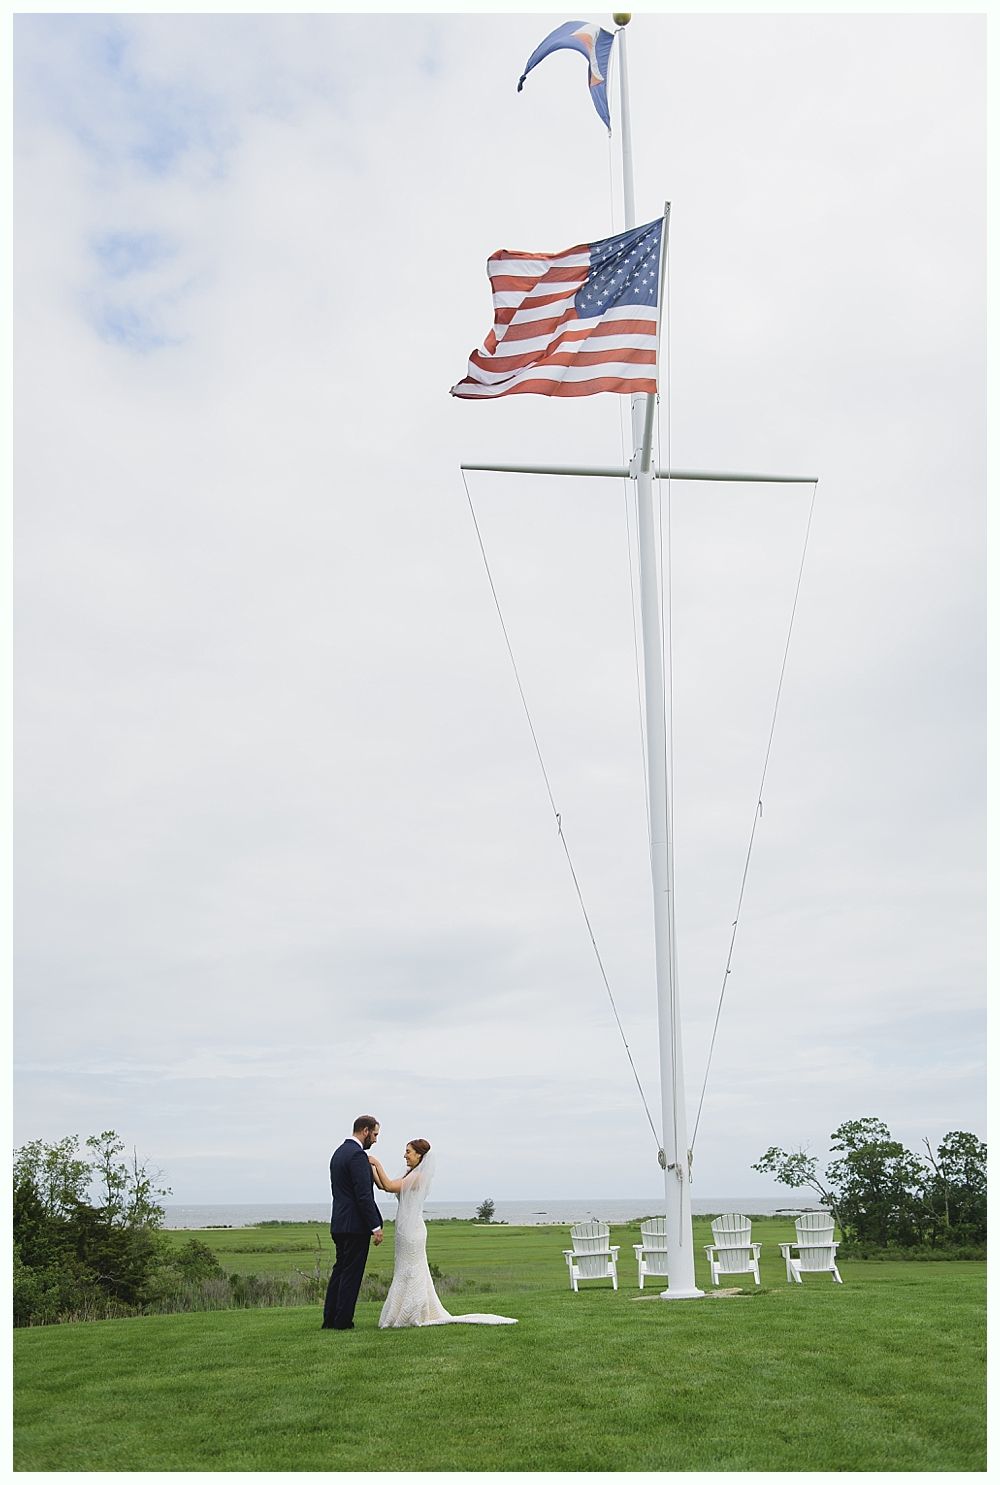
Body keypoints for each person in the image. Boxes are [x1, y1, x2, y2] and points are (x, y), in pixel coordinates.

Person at [369, 1139, 517, 1328]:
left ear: (419, 1155)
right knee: (404, 1270)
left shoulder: (419, 1177)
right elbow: (383, 1185)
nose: (405, 1155)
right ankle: (403, 1311)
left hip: (412, 1230)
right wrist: (371, 1167)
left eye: (408, 1152)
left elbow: (389, 1186)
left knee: (412, 1271)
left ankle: (413, 1313)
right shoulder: (410, 1174)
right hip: (404, 1229)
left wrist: (376, 1162)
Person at [322, 1114, 385, 1330]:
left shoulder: (338, 1153)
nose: (375, 1140)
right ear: (365, 1130)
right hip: (355, 1226)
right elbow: (363, 1195)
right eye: (375, 1134)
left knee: (339, 1271)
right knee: (351, 1274)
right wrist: (375, 1226)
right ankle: (342, 1321)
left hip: (339, 1223)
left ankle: (330, 1319)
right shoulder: (357, 1156)